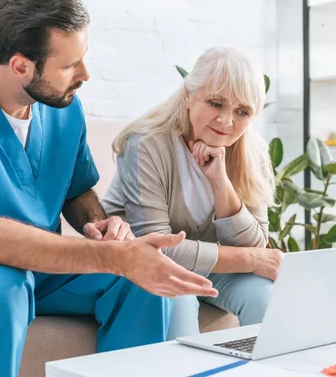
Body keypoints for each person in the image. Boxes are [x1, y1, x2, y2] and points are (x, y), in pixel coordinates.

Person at [0, 0, 217, 377]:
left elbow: (77, 190)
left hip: (37, 266)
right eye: (68, 66)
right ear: (20, 65)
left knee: (137, 280)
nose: (85, 73)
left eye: (83, 58)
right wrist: (109, 257)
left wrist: (99, 226)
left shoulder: (64, 107)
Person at [102, 46, 284, 340]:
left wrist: (220, 183)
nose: (227, 121)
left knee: (265, 295)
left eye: (241, 111)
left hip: (214, 272)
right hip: (149, 267)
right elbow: (157, 246)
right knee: (179, 298)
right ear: (188, 95)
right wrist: (251, 260)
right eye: (215, 103)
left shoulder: (253, 150)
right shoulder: (146, 144)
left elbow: (256, 242)